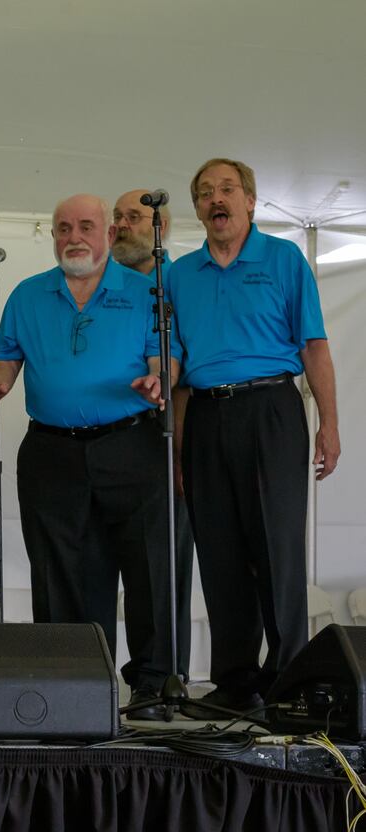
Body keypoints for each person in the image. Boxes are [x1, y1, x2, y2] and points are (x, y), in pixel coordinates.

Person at [0, 194, 179, 718]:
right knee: (60, 571)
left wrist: (159, 380)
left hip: (130, 444)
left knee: (148, 566)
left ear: (109, 233)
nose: (74, 237)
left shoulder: (146, 291)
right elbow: (5, 357)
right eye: (63, 228)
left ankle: (152, 686)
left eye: (85, 226)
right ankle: (72, 682)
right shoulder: (27, 294)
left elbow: (166, 358)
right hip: (52, 451)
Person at [168, 158, 340, 719]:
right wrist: (178, 448)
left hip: (271, 409)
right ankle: (235, 684)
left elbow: (313, 346)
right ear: (197, 208)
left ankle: (288, 683)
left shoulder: (284, 259)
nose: (216, 200)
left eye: (227, 189)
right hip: (206, 414)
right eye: (205, 193)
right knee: (218, 552)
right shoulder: (180, 275)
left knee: (276, 548)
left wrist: (329, 424)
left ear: (249, 200)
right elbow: (175, 365)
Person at [106, 188, 194, 681]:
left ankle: (161, 680)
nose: (123, 225)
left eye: (135, 217)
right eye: (117, 216)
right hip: (113, 442)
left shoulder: (177, 284)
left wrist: (181, 454)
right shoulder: (102, 284)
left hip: (167, 437)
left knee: (160, 570)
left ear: (161, 227)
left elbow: (187, 377)